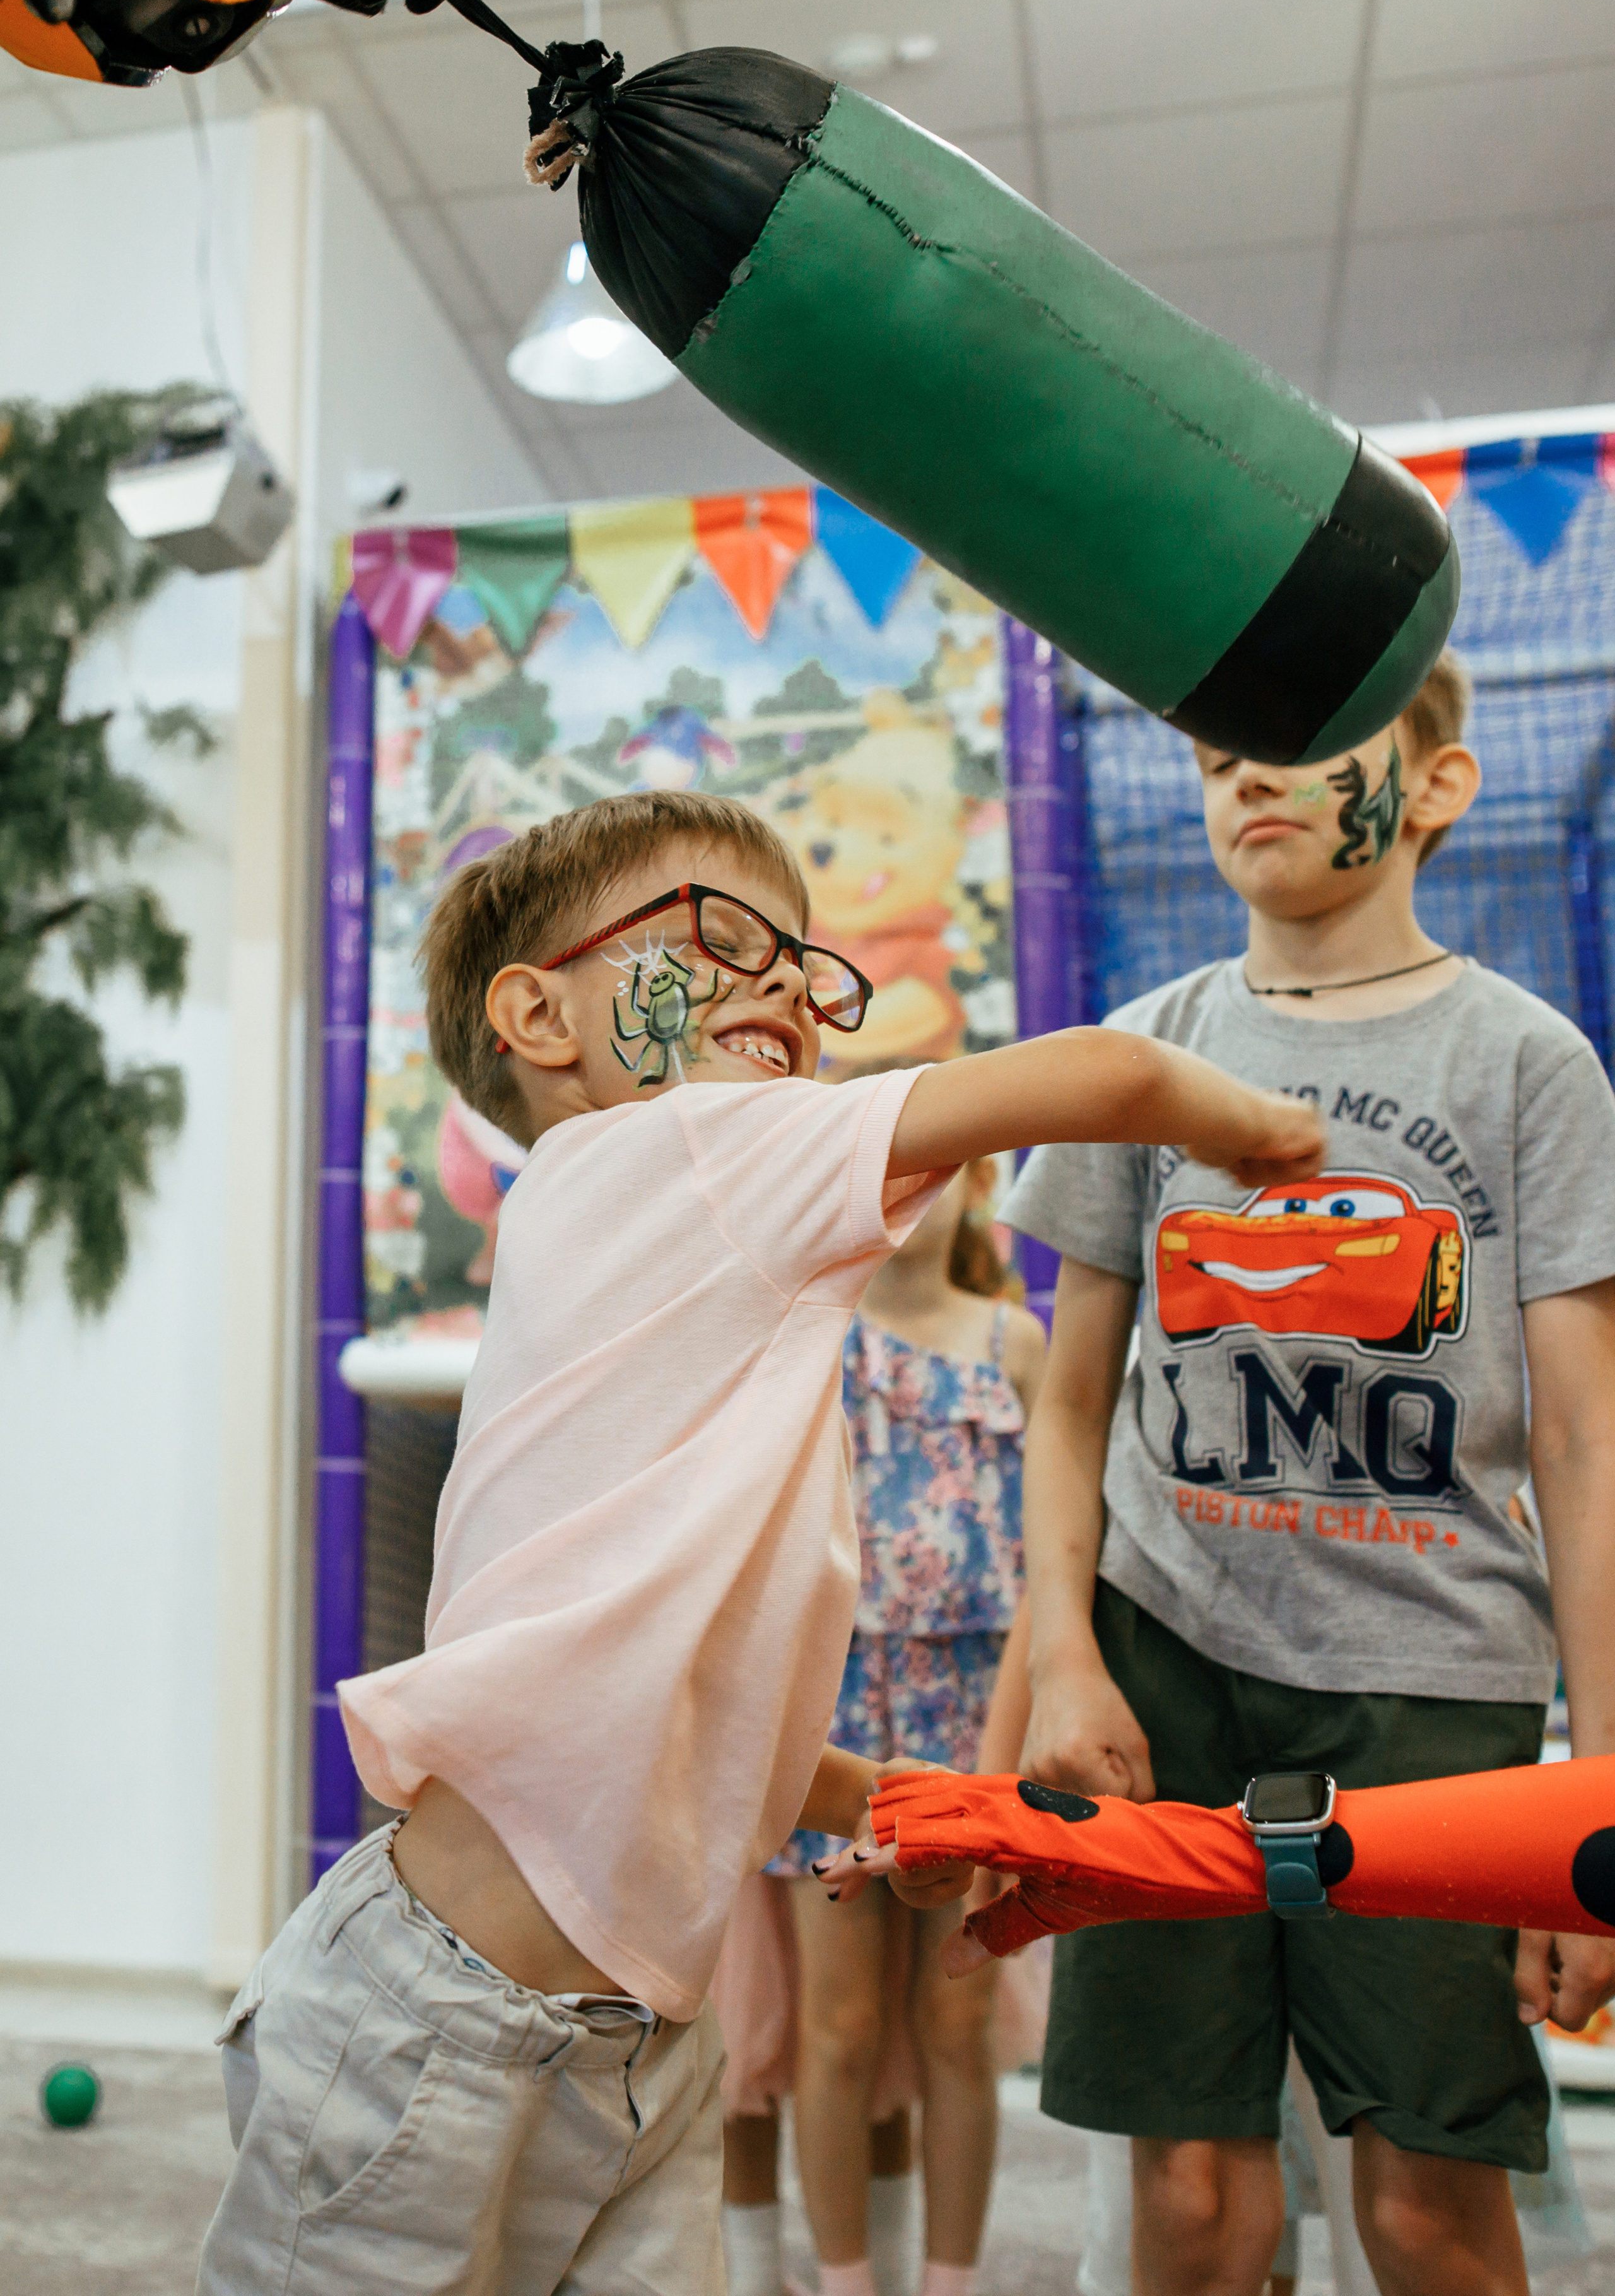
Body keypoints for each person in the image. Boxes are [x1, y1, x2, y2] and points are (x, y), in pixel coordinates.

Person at [195, 787, 1321, 2295]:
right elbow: (1103, 1074)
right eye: (722, 938)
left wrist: (875, 1795)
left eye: (805, 963)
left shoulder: (672, 1279)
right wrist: (1262, 1125)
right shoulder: (682, 1153)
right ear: (535, 1014)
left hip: (639, 2042)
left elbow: (678, 1695)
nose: (788, 983)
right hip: (443, 2019)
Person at [997, 652, 1615, 2296]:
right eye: (1212, 760)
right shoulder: (1149, 1050)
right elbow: (1068, 1407)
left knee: (1426, 2201)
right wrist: (1065, 1651)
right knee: (1191, 2206)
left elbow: (1583, 1443)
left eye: (1298, 747)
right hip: (1165, 1670)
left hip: (1431, 1704)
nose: (1245, 779)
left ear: (1435, 786)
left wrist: (1595, 1800)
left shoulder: (1529, 1063)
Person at [718, 1146, 1046, 2296]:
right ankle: (848, 2284)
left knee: (956, 2024)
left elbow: (1056, 1548)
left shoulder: (1018, 1343)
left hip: (971, 1711)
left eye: (940, 1169)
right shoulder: (809, 1338)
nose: (915, 1193)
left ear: (976, 1188)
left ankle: (948, 2283)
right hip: (837, 1710)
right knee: (842, 2026)